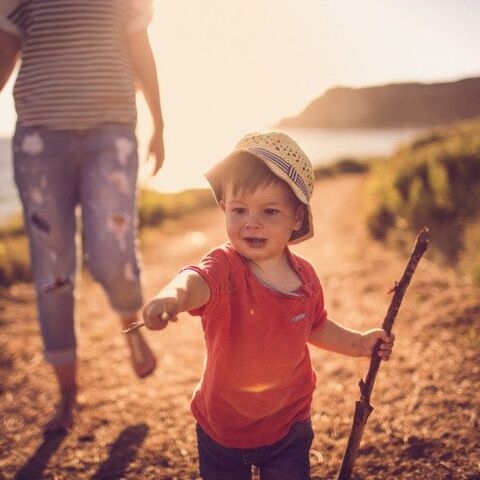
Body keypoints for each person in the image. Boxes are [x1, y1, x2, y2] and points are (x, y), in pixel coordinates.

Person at [141, 132, 395, 480]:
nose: (251, 222)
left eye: (270, 211)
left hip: (289, 426)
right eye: (239, 209)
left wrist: (359, 343)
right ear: (224, 209)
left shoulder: (305, 276)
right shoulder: (225, 266)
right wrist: (172, 297)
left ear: (297, 218)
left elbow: (316, 326)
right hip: (223, 430)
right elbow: (194, 280)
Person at [0, 0, 164, 432]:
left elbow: (140, 49)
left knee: (112, 254)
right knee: (53, 269)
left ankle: (130, 324)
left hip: (111, 137)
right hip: (40, 141)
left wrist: (160, 125)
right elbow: (5, 53)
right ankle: (67, 396)